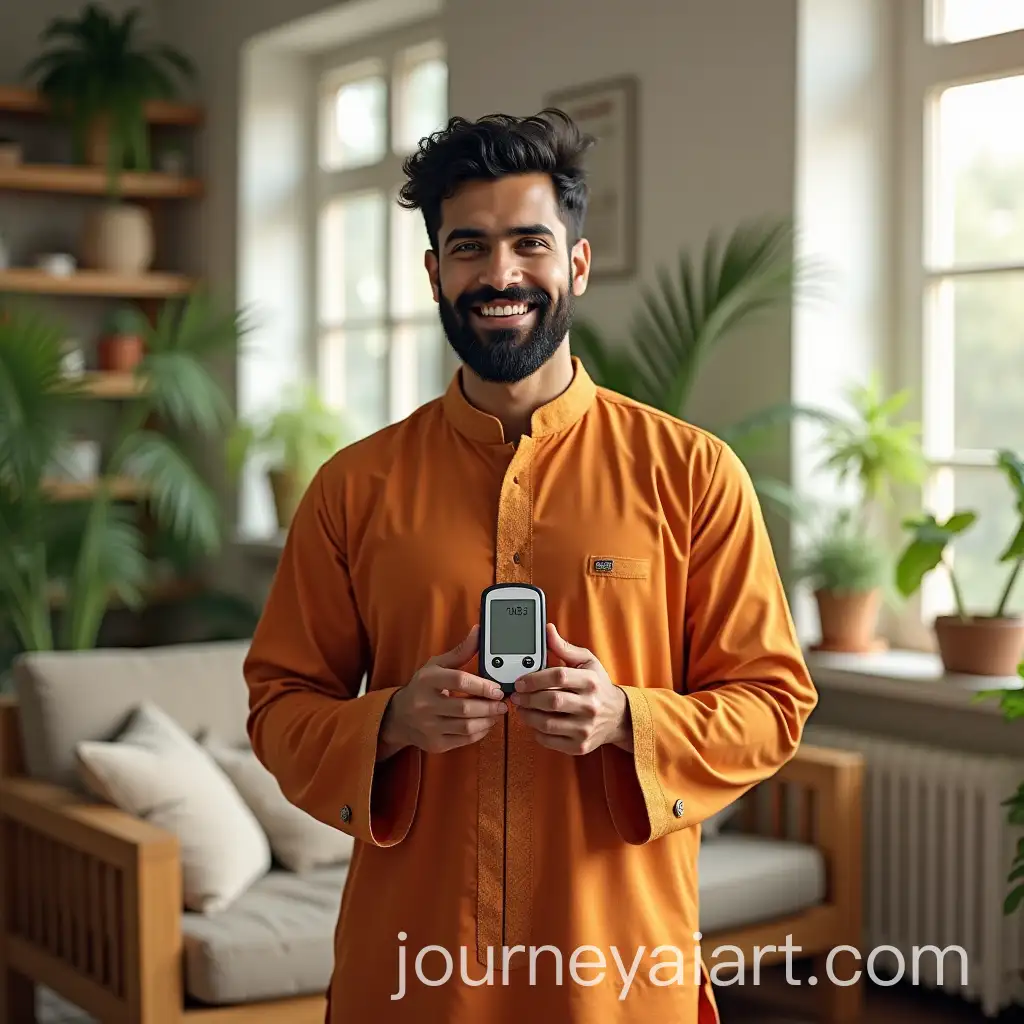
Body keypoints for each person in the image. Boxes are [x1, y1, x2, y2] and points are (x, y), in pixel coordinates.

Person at [243, 108, 818, 1024]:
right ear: (434, 273)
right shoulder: (353, 488)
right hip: (414, 974)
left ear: (576, 264)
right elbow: (279, 706)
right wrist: (391, 722)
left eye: (529, 243)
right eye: (468, 247)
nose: (500, 274)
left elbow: (773, 704)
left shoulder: (692, 473)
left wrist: (627, 718)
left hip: (615, 972)